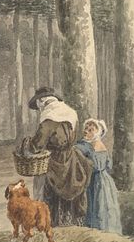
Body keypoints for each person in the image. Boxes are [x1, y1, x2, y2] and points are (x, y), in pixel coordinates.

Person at [23, 87, 90, 227]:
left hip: (53, 162)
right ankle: (70, 223)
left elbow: (37, 145)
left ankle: (51, 224)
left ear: (42, 101)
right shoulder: (71, 113)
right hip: (71, 159)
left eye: (39, 104)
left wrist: (28, 144)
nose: (39, 108)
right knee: (69, 192)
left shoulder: (49, 119)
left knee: (48, 192)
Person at [75, 118, 122, 234]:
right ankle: (104, 229)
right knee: (103, 204)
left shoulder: (90, 145)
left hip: (96, 179)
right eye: (86, 128)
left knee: (98, 203)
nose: (86, 131)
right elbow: (109, 165)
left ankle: (98, 228)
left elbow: (94, 165)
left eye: (90, 130)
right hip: (106, 179)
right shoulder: (99, 146)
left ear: (97, 133)